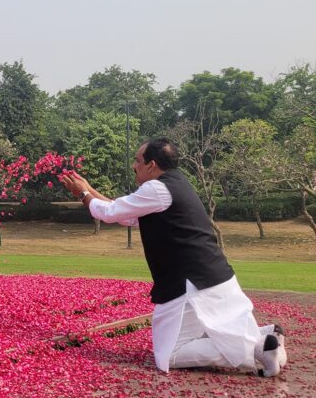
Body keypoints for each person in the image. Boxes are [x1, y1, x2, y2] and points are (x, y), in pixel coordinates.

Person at [60, 137, 287, 377]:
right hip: (211, 277)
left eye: (137, 161)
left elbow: (111, 212)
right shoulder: (174, 184)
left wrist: (83, 193)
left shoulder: (156, 189)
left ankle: (257, 347)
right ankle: (268, 336)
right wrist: (88, 189)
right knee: (198, 336)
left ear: (152, 165)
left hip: (191, 285)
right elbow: (122, 213)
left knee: (170, 355)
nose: (134, 166)